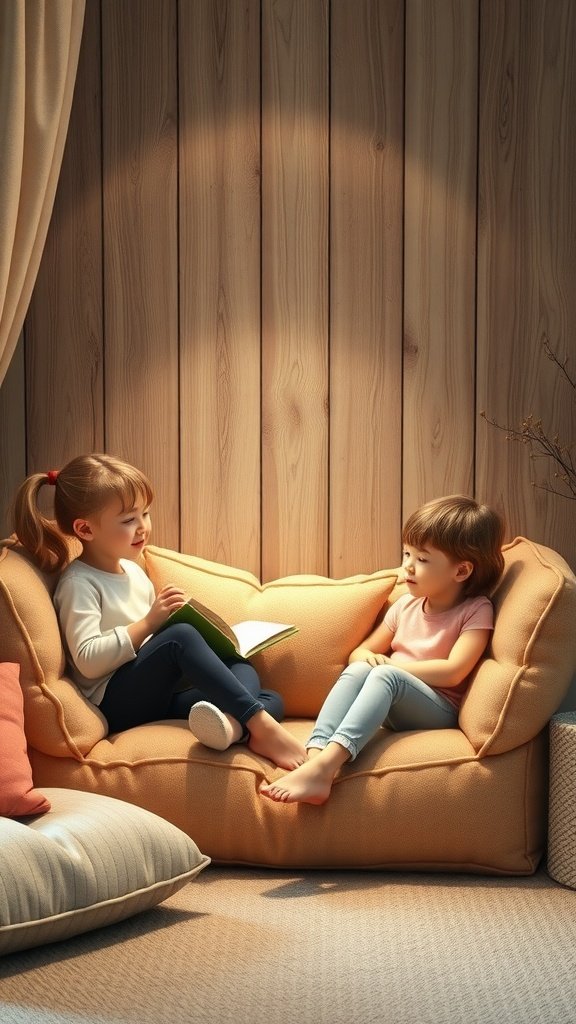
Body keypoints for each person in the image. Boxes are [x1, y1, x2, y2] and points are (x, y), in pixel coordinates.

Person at [12, 453, 307, 769]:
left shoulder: (133, 571)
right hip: (117, 702)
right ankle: (258, 725)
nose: (142, 527)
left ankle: (235, 727)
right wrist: (151, 623)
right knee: (180, 636)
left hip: (160, 695)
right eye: (128, 520)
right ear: (85, 530)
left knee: (260, 685)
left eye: (145, 514)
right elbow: (87, 661)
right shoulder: (79, 583)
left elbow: (154, 648)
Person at [260, 494, 505, 805]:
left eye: (423, 559)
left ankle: (325, 769)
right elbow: (360, 653)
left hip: (436, 707)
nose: (408, 567)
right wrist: (370, 661)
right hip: (389, 700)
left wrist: (390, 668)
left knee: (383, 675)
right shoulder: (405, 605)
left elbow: (454, 671)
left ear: (461, 572)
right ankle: (315, 755)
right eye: (406, 554)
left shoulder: (476, 610)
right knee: (362, 669)